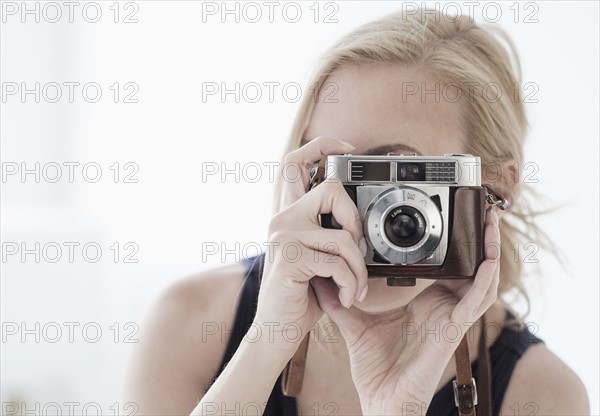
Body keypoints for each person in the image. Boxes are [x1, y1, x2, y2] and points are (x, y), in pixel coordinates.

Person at [122, 8, 589, 416]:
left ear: (495, 187)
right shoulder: (190, 321)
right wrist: (265, 346)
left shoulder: (541, 394)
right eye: (332, 169)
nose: (357, 210)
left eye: (400, 175)